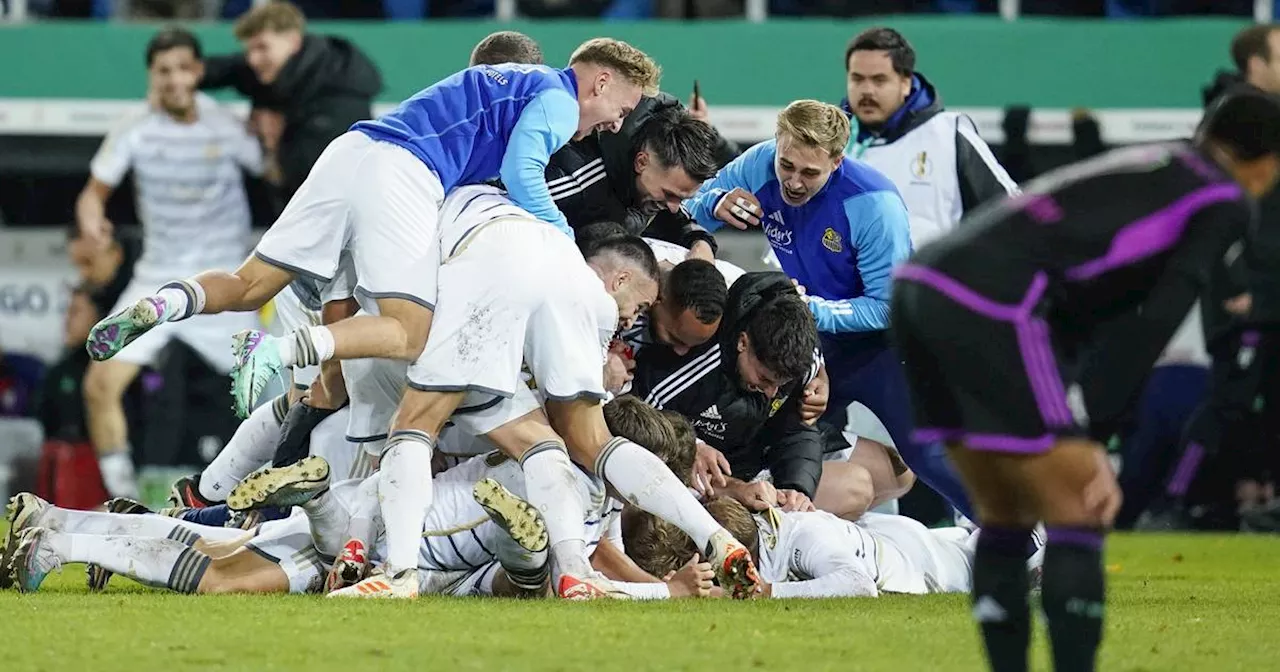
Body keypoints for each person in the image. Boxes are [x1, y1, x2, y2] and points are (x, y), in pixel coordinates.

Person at [889, 88, 1280, 672]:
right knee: (1080, 504)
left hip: (921, 288)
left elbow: (1087, 301)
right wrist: (1094, 434)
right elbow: (1158, 315)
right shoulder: (1221, 195)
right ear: (1267, 159)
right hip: (996, 303)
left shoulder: (1158, 161)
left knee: (1004, 509)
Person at [85, 38, 658, 423]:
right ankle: (276, 351)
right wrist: (564, 243)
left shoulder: (509, 78)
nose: (617, 121)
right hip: (403, 172)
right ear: (601, 81)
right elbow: (521, 172)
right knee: (409, 332)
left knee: (250, 284)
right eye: (624, 105)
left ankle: (161, 303)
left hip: (352, 151)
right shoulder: (557, 99)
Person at [227, 186, 757, 600]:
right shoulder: (555, 257)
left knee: (404, 427)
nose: (633, 322)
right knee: (564, 443)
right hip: (470, 324)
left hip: (448, 322)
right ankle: (655, 548)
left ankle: (391, 567)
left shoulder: (441, 210)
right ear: (618, 279)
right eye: (639, 307)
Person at [682, 99, 975, 521]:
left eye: (809, 172)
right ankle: (768, 541)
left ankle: (1026, 543)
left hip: (885, 347)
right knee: (764, 432)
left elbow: (886, 308)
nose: (794, 182)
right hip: (816, 340)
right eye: (787, 165)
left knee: (926, 452)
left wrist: (813, 312)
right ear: (777, 145)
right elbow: (682, 208)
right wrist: (715, 204)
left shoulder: (874, 205)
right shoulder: (760, 164)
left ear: (837, 161)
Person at [77, 28, 264, 498]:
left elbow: (277, 174)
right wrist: (92, 221)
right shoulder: (133, 128)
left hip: (227, 283)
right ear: (151, 76)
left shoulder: (226, 126)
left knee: (273, 399)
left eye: (183, 68)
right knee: (100, 384)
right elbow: (91, 196)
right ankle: (127, 504)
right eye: (163, 71)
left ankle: (268, 505)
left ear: (198, 72)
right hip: (158, 280)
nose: (174, 79)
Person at [841, 27, 1017, 249]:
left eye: (879, 80)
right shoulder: (828, 144)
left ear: (905, 83)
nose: (866, 91)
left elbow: (1013, 210)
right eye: (857, 79)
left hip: (931, 281)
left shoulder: (950, 134)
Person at [200, 1, 383, 203]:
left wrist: (274, 144)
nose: (253, 60)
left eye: (262, 47)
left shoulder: (340, 94)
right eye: (249, 50)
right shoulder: (278, 66)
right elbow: (229, 68)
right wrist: (190, 71)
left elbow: (313, 183)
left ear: (294, 41)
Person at [628, 497, 984, 599]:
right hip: (882, 536)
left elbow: (857, 585)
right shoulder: (730, 525)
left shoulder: (803, 535)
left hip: (931, 564)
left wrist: (765, 592)